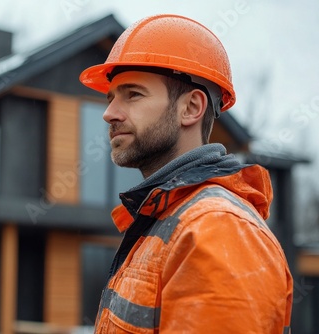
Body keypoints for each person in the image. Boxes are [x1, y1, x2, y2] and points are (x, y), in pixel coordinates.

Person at [79, 14, 293, 333]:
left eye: (133, 95)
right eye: (111, 98)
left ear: (191, 108)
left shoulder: (217, 230)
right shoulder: (166, 220)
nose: (109, 114)